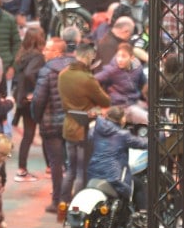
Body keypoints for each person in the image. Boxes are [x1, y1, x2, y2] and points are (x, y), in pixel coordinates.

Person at [57, 42, 112, 201]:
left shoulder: (63, 74)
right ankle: (78, 205)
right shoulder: (87, 79)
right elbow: (106, 101)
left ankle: (63, 203)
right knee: (83, 172)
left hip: (68, 126)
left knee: (70, 170)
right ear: (88, 56)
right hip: (85, 129)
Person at [32, 31, 78, 212]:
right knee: (74, 163)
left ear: (58, 52)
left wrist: (37, 118)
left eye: (48, 49)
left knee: (56, 164)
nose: (44, 52)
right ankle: (71, 199)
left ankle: (58, 200)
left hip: (51, 124)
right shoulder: (77, 67)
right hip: (74, 122)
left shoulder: (47, 71)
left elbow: (38, 99)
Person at [85, 105, 148, 216]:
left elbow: (90, 135)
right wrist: (161, 134)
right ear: (122, 119)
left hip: (94, 173)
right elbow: (143, 143)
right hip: (114, 177)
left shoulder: (96, 129)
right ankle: (143, 216)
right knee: (138, 184)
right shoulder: (122, 135)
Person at [10, 28, 46, 181]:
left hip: (22, 98)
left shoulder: (22, 56)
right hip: (31, 99)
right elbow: (30, 73)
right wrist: (38, 88)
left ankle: (21, 169)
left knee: (28, 135)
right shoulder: (38, 57)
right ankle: (48, 167)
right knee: (42, 132)